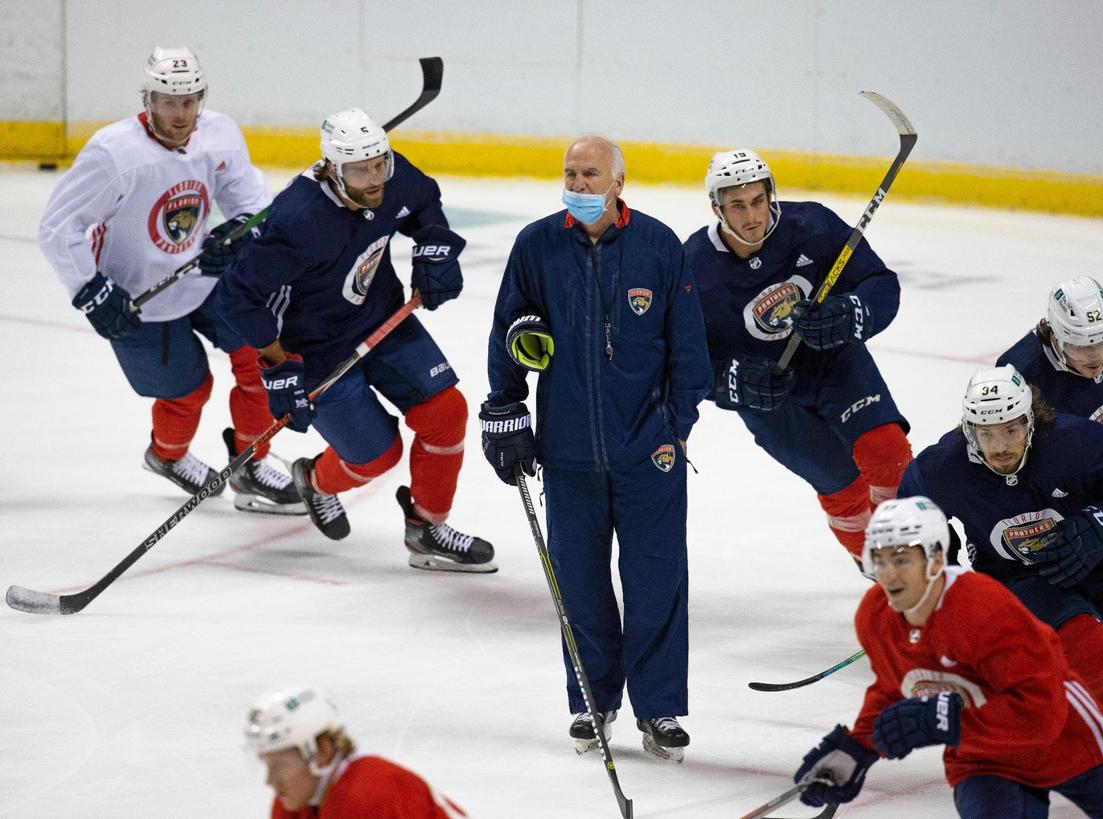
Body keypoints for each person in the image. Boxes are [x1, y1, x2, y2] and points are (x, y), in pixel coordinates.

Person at [480, 136, 712, 760]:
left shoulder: (659, 245)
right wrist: (503, 407)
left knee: (656, 582)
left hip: (650, 453)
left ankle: (659, 711)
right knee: (579, 584)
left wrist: (676, 425)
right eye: (570, 174)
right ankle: (591, 700)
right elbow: (510, 329)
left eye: (590, 174)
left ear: (617, 182)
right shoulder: (536, 245)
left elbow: (689, 347)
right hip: (568, 452)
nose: (578, 185)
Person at [214, 108, 494, 572]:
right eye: (359, 170)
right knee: (377, 456)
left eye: (378, 164)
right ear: (329, 168)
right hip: (316, 349)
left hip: (382, 319)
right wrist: (278, 365)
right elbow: (237, 298)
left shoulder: (391, 172)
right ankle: (316, 481)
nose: (374, 178)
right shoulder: (298, 220)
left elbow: (423, 202)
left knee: (446, 411)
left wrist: (434, 246)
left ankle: (427, 529)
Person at [37, 46, 301, 513]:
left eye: (190, 101)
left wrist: (238, 233)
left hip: (203, 278)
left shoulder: (218, 134)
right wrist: (91, 291)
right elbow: (59, 227)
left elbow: (253, 202)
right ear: (149, 100)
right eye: (169, 102)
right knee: (188, 390)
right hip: (139, 295)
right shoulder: (113, 153)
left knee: (262, 355)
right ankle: (167, 455)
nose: (181, 114)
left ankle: (250, 461)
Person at [792, 496, 1103, 816]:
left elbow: (1042, 709)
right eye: (879, 560)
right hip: (984, 758)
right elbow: (895, 687)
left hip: (1069, 738)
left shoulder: (983, 609)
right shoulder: (875, 615)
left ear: (936, 560)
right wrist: (857, 749)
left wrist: (945, 721)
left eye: (901, 559)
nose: (889, 574)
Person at [682, 149, 913, 568]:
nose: (752, 216)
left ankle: (922, 559)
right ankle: (882, 572)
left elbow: (880, 284)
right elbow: (682, 359)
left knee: (888, 454)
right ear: (717, 208)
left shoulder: (813, 226)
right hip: (769, 400)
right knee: (841, 485)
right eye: (737, 206)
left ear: (771, 194)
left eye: (758, 200)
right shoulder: (693, 267)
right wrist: (731, 381)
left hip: (834, 364)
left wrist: (849, 313)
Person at [897, 364, 1103, 743]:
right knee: (1085, 644)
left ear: (1031, 421)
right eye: (986, 433)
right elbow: (913, 524)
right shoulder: (942, 468)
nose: (1000, 446)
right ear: (969, 428)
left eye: (1011, 429)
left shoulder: (1074, 442)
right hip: (1020, 575)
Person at [246, 685, 466, 818]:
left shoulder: (376, 795)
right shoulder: (292, 803)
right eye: (267, 764)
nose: (270, 781)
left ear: (322, 752)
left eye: (280, 766)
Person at [997, 275, 1103, 434]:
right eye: (1082, 346)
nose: (1095, 356)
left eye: (1102, 342)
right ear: (1054, 337)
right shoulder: (1019, 376)